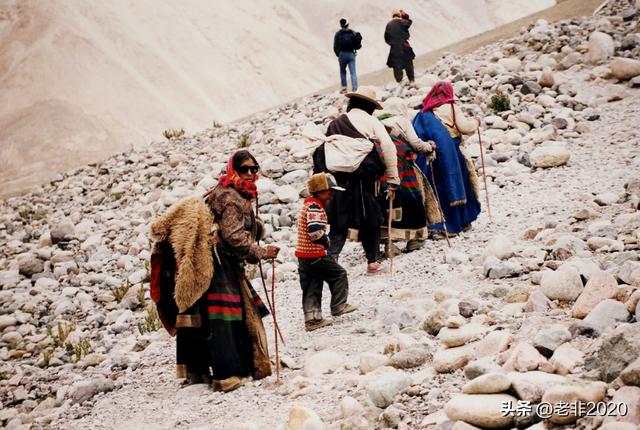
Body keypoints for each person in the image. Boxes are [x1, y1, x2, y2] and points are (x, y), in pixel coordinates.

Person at [150, 150, 279, 392]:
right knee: (226, 318)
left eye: (254, 168)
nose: (251, 173)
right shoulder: (232, 198)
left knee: (202, 318)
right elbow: (233, 238)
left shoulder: (224, 191)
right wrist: (262, 252)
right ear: (234, 170)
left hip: (204, 262)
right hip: (219, 264)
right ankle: (227, 375)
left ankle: (197, 373)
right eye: (245, 169)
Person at [313, 86, 400, 274]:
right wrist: (393, 179)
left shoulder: (335, 123)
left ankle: (332, 258)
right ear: (370, 106)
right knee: (371, 219)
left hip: (338, 180)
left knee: (338, 220)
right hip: (363, 180)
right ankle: (373, 261)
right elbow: (388, 147)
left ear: (351, 103)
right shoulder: (371, 121)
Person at [412, 81, 481, 237]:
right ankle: (461, 222)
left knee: (438, 190)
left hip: (432, 156)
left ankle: (437, 226)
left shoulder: (426, 112)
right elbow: (465, 128)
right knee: (459, 185)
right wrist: (476, 122)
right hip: (453, 155)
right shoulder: (451, 107)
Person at [378, 97, 442, 254]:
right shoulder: (402, 121)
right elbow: (415, 144)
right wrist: (429, 147)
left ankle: (387, 241)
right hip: (402, 164)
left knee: (385, 198)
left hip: (379, 165)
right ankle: (415, 238)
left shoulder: (377, 122)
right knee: (412, 196)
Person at [295, 172, 357, 331]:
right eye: (330, 191)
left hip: (303, 255)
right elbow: (314, 232)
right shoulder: (316, 207)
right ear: (319, 191)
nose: (332, 195)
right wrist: (327, 241)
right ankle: (338, 305)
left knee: (311, 286)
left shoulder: (307, 205)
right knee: (339, 274)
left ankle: (312, 319)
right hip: (315, 254)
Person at [384, 10, 415, 84]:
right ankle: (411, 80)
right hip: (405, 46)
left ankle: (400, 82)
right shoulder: (402, 21)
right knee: (409, 64)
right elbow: (409, 22)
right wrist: (405, 15)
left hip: (394, 48)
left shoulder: (388, 25)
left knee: (397, 66)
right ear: (399, 15)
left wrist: (393, 44)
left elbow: (386, 38)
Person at [333, 18, 359, 93]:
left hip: (342, 54)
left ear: (341, 25)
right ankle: (355, 88)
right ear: (348, 24)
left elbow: (335, 46)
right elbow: (356, 42)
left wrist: (338, 54)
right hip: (351, 54)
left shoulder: (338, 34)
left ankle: (344, 88)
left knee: (342, 71)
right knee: (353, 72)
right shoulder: (352, 32)